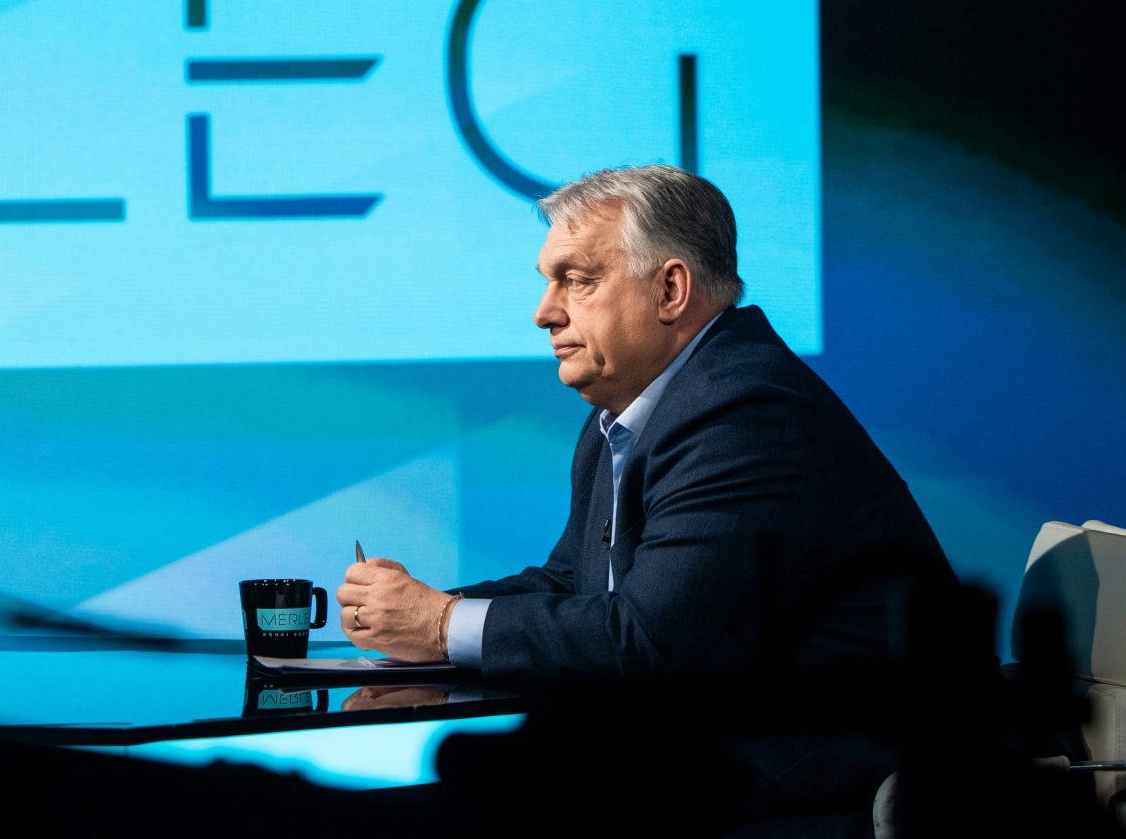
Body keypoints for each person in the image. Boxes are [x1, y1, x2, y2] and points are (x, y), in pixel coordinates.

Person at [337, 165, 952, 677]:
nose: (544, 313)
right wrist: (422, 609)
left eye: (577, 281)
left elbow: (653, 639)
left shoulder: (742, 412)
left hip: (852, 768)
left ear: (670, 290)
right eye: (549, 283)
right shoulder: (624, 414)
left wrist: (440, 625)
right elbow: (573, 584)